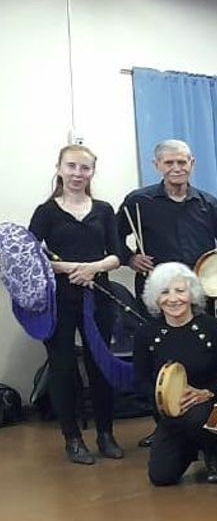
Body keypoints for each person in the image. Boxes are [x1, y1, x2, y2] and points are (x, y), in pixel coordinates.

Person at [28, 145, 125, 464]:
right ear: (59, 168)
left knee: (101, 365)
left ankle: (106, 435)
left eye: (84, 168)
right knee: (63, 367)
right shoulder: (46, 211)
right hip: (59, 302)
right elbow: (31, 256)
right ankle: (72, 439)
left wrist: (94, 268)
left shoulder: (104, 209)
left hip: (98, 298)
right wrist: (73, 268)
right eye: (71, 167)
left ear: (92, 173)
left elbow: (117, 254)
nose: (77, 174)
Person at [135, 263, 217, 485]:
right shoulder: (146, 334)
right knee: (161, 477)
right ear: (155, 299)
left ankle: (214, 452)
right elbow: (140, 381)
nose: (173, 299)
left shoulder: (214, 328)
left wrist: (208, 392)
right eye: (164, 292)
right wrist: (166, 399)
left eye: (180, 291)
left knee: (196, 417)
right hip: (169, 413)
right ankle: (188, 446)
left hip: (207, 404)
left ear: (192, 294)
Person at [117, 139, 217, 293]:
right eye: (169, 163)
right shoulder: (138, 201)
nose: (176, 169)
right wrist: (129, 258)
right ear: (157, 165)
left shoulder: (209, 204)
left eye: (182, 162)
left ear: (192, 163)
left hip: (199, 288)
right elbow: (113, 237)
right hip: (155, 288)